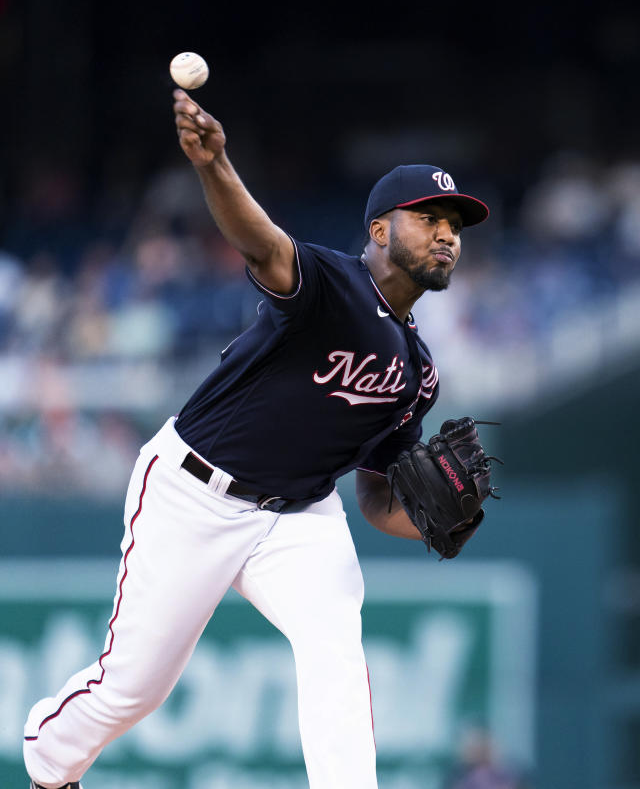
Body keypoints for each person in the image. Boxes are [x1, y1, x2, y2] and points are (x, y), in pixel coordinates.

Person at [23, 88, 489, 789]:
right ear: (382, 229)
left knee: (335, 638)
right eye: (429, 217)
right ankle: (49, 767)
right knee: (134, 688)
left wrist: (433, 520)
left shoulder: (417, 373)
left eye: (455, 222)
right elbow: (261, 242)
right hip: (193, 489)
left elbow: (376, 492)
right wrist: (215, 167)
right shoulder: (334, 283)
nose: (447, 232)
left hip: (297, 516)